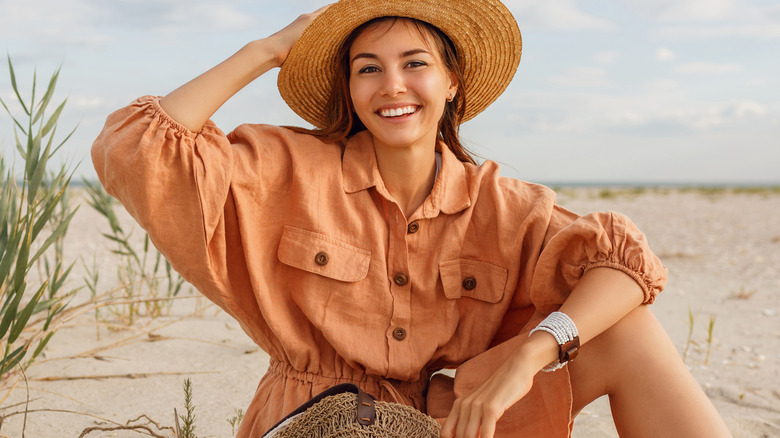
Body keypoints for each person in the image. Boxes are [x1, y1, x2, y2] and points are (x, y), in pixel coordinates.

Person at [91, 0, 732, 437]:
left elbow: (626, 266)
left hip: (445, 420)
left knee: (626, 332)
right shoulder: (285, 165)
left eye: (415, 64)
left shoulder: (501, 203)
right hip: (321, 420)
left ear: (452, 81)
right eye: (368, 69)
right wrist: (269, 48)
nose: (392, 86)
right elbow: (136, 148)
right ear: (351, 91)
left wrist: (527, 357)